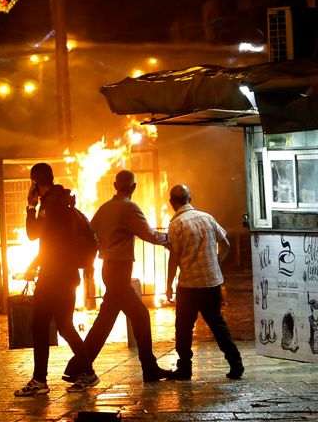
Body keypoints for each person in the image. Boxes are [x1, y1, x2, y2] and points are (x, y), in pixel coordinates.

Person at [64, 170, 172, 382]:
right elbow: (149, 234)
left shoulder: (104, 208)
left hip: (108, 269)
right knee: (128, 318)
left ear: (115, 185)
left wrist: (90, 262)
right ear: (133, 187)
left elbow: (90, 234)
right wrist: (170, 238)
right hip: (120, 271)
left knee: (116, 320)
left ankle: (78, 366)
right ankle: (80, 366)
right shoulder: (129, 208)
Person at [14, 163, 98, 396]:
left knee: (42, 325)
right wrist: (33, 265)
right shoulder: (62, 201)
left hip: (55, 277)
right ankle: (85, 373)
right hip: (65, 274)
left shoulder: (50, 204)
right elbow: (53, 243)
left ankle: (40, 380)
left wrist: (30, 207)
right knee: (62, 325)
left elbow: (34, 234)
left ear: (34, 182)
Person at [165, 184, 244, 380]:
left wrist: (168, 286)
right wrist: (217, 262)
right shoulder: (207, 217)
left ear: (172, 203)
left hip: (189, 286)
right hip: (212, 283)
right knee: (218, 324)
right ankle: (236, 363)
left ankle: (185, 368)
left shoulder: (176, 224)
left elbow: (174, 258)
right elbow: (225, 244)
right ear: (190, 199)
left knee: (183, 328)